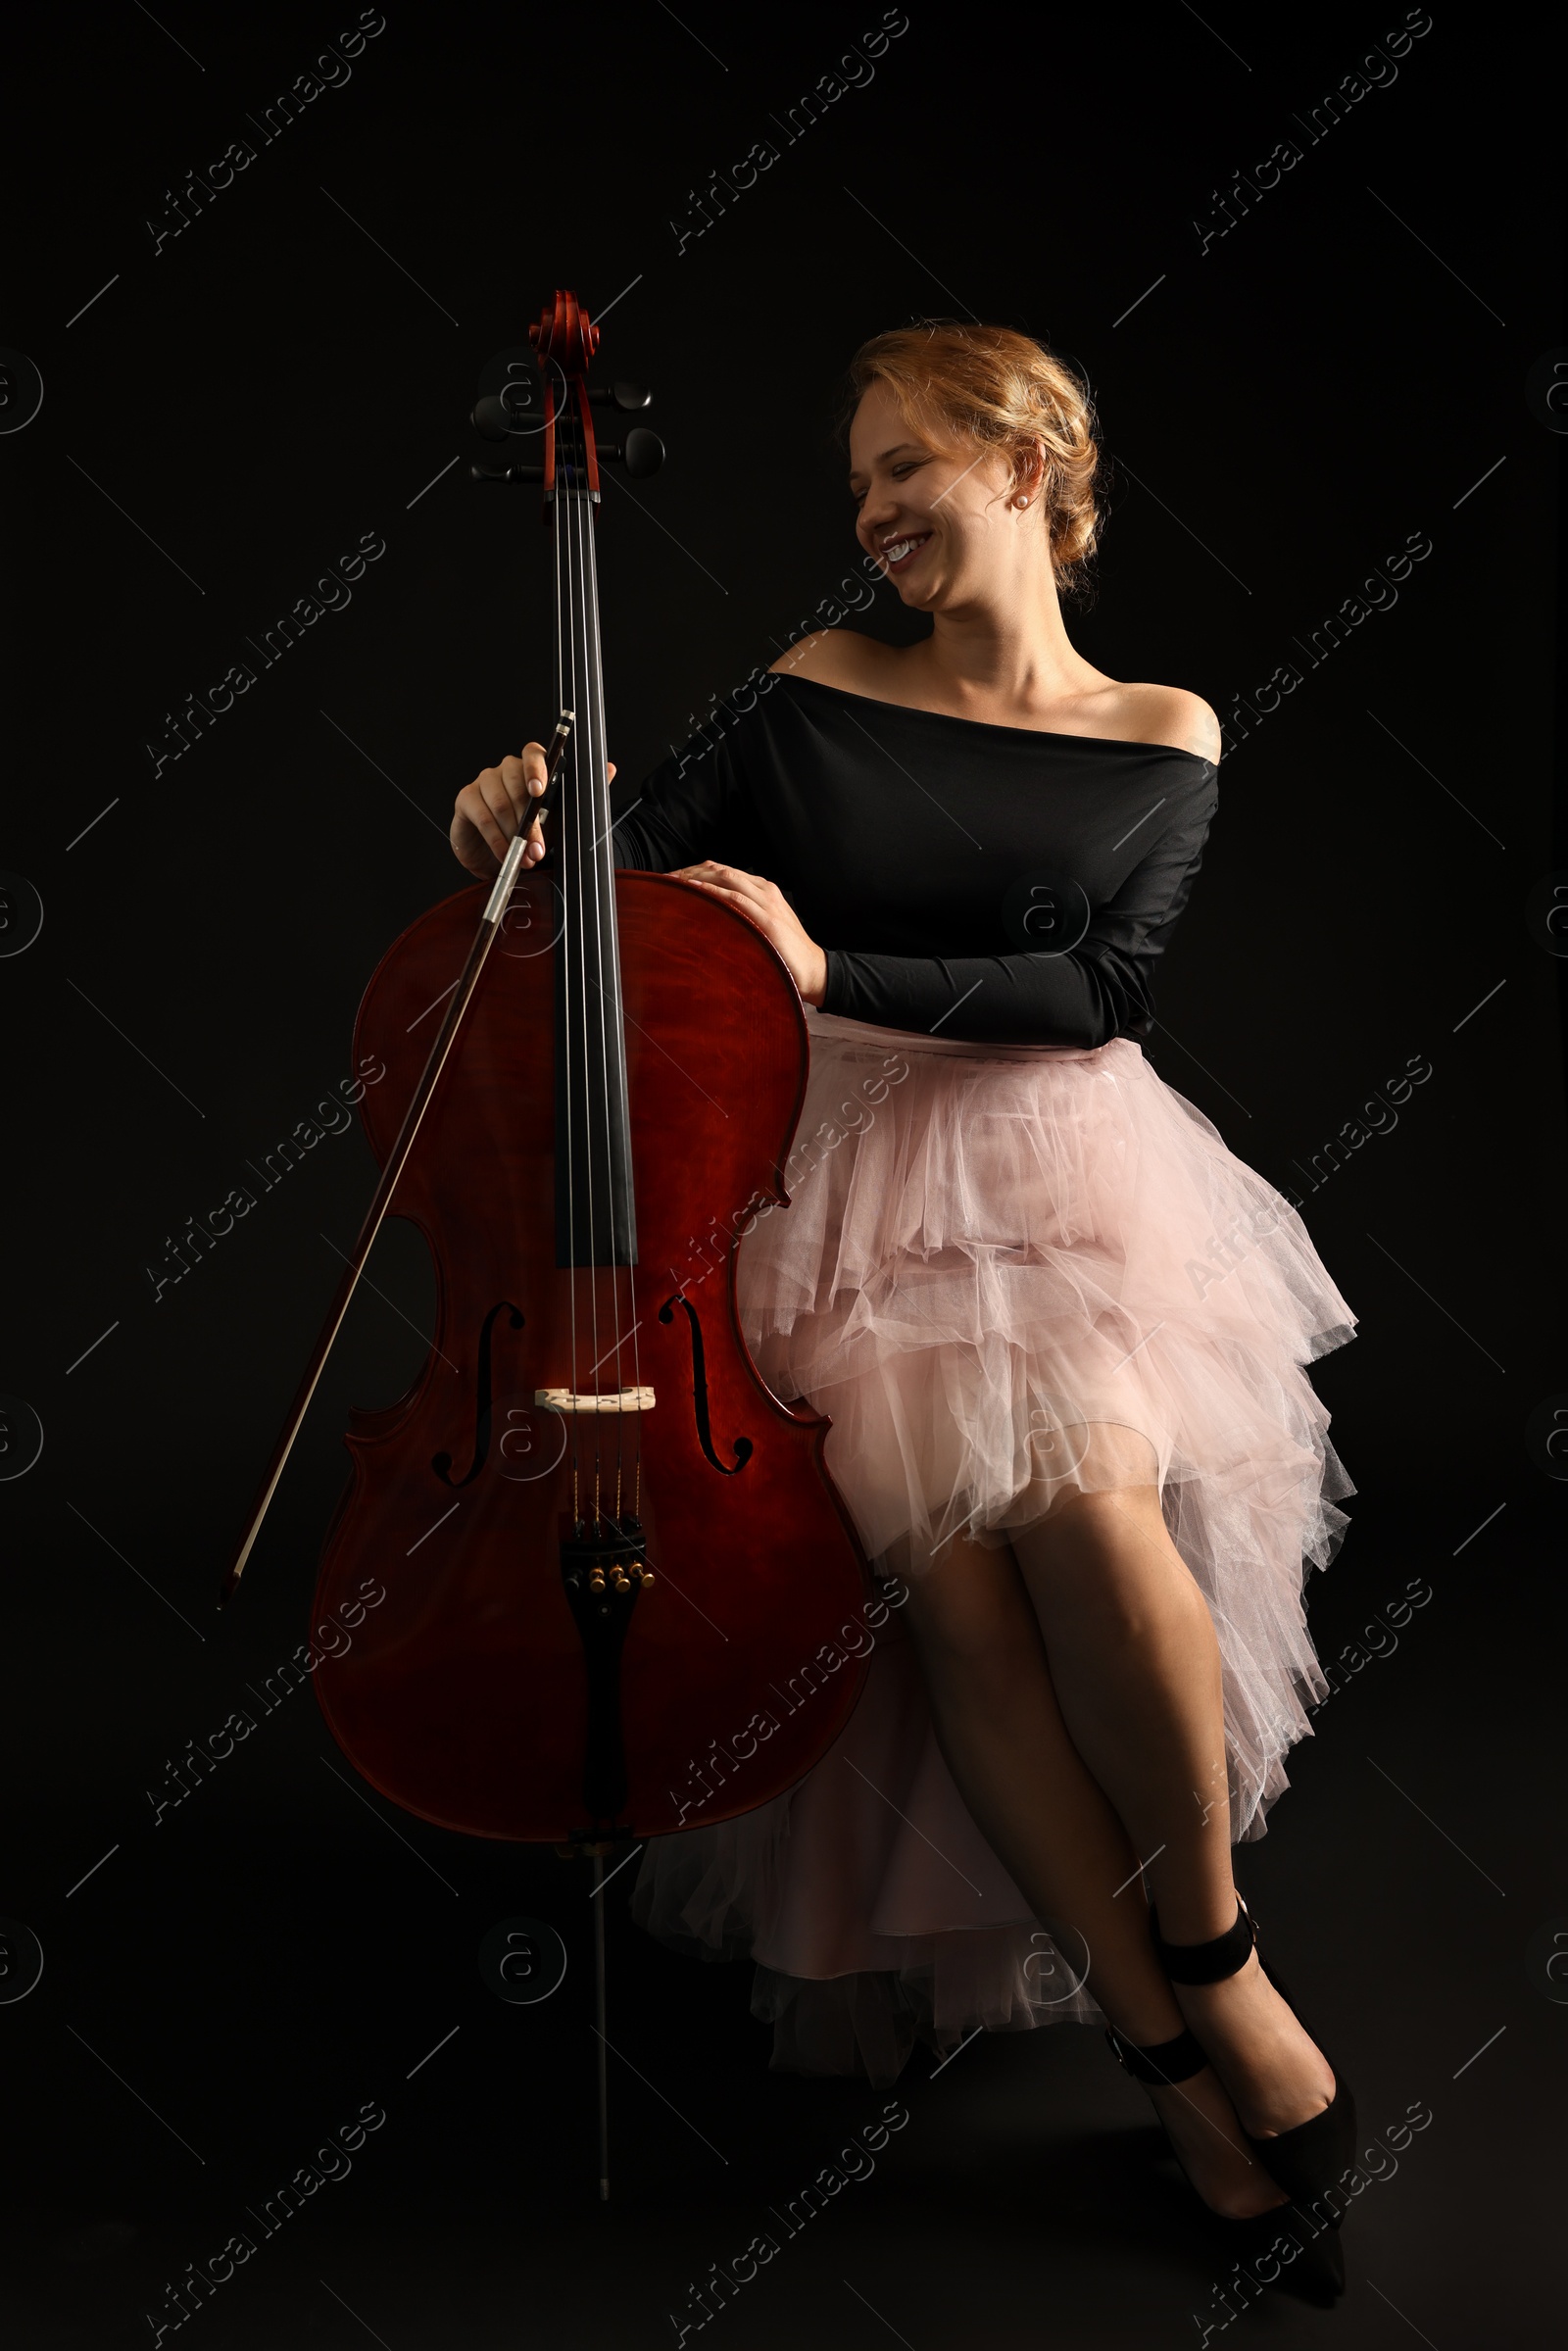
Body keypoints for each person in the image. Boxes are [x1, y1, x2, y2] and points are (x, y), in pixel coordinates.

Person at [451, 321, 1358, 2299]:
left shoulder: (1160, 729)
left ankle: (1214, 1961)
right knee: (953, 1604)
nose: (869, 512)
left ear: (1028, 460)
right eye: (853, 481)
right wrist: (527, 812)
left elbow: (1095, 996)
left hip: (1061, 1171)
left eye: (906, 466)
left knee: (1090, 1514)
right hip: (838, 1184)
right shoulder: (807, 690)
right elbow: (628, 867)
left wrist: (824, 959)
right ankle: (1168, 2064)